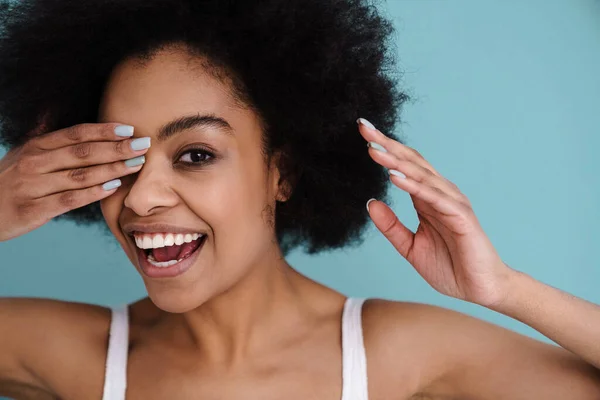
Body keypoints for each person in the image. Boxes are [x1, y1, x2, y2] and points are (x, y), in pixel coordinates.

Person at [0, 0, 599, 399]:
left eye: (195, 155)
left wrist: (503, 289)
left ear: (280, 173)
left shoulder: (396, 355)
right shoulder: (78, 357)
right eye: (123, 162)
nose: (142, 199)